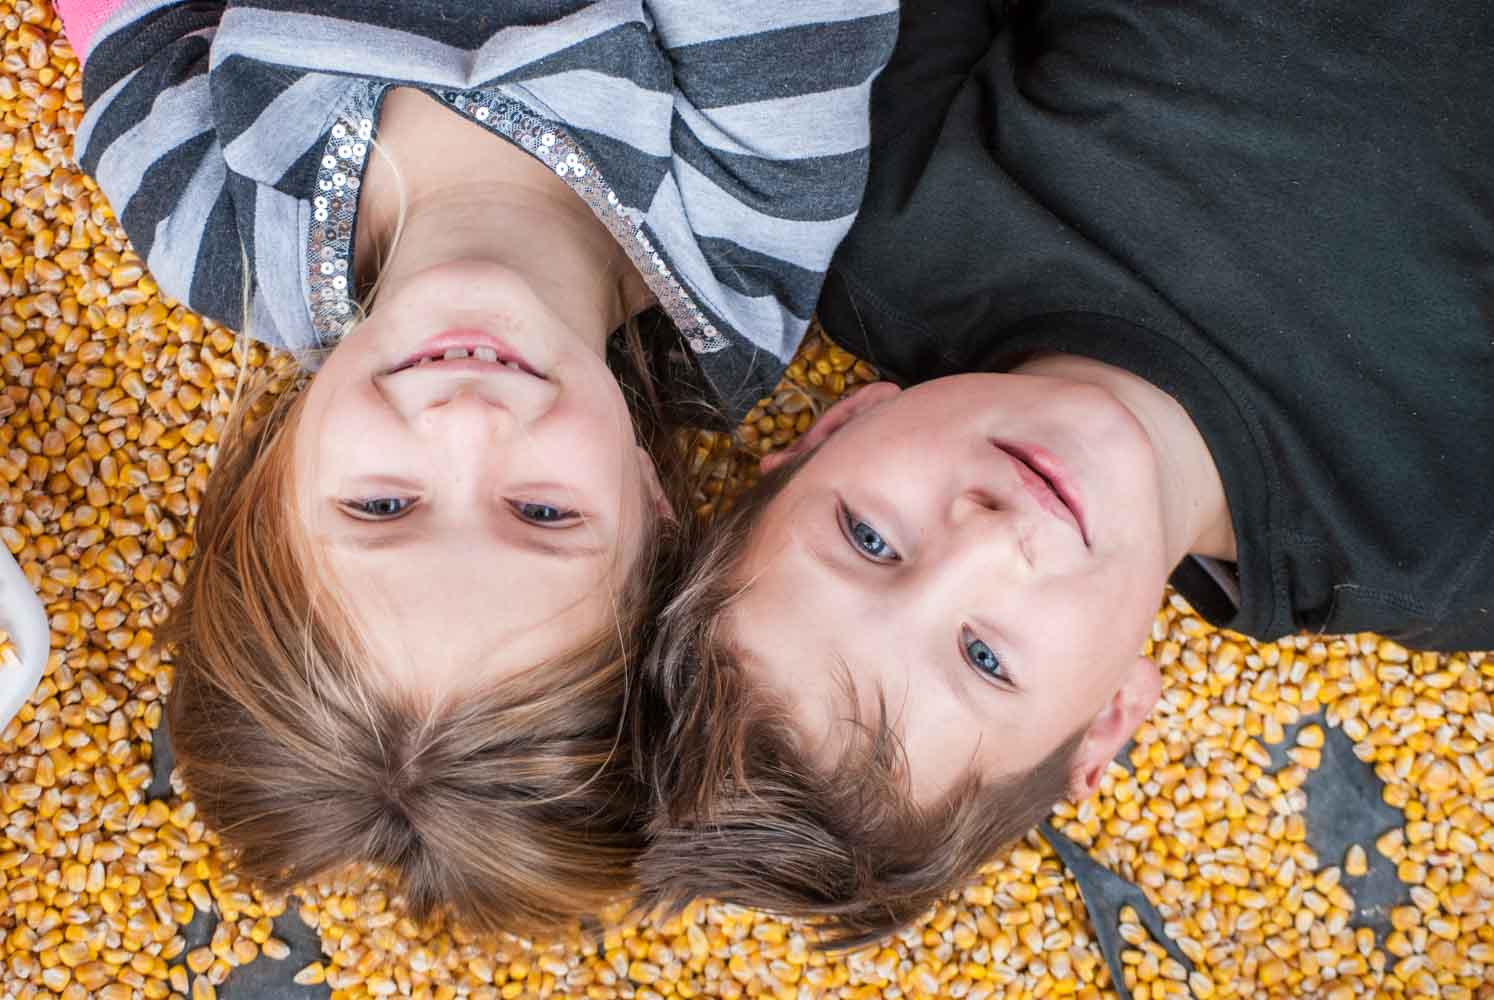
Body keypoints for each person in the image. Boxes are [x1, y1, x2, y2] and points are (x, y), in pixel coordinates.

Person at [635, 0, 1494, 946]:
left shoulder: (895, 219)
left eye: (870, 539)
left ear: (835, 428)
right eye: (985, 659)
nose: (991, 537)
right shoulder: (1442, 550)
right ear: (1109, 721)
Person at [56, 0, 897, 931]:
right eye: (541, 513)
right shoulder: (738, 239)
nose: (465, 425)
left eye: (382, 505)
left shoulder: (210, 232)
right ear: (655, 507)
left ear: (273, 481)